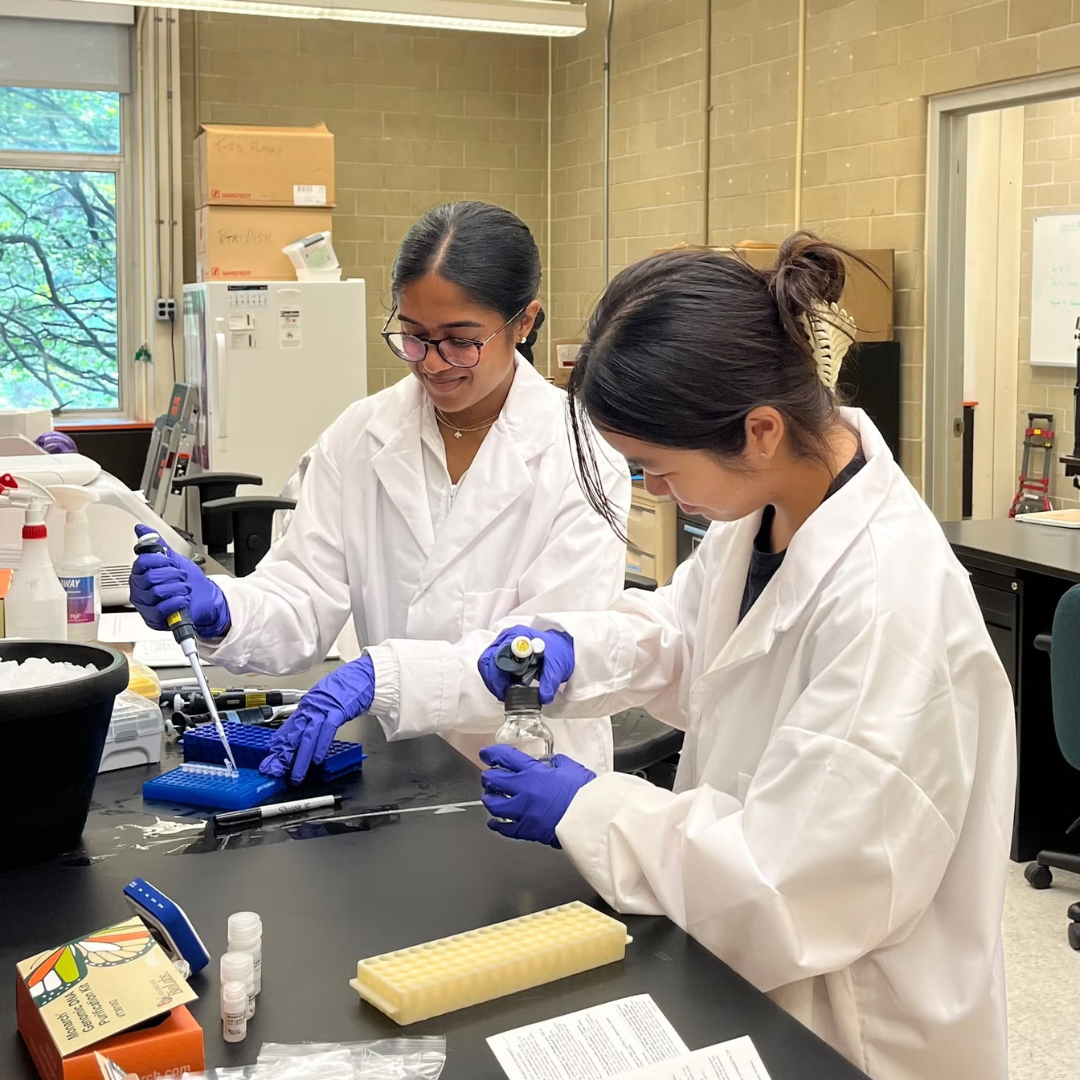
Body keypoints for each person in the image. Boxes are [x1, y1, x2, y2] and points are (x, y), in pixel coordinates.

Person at [471, 236, 1016, 1080]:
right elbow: (696, 648)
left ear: (759, 430)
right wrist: (577, 650)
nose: (653, 489)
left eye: (657, 466)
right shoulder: (760, 514)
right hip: (751, 979)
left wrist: (590, 808)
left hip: (852, 1024)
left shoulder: (888, 605)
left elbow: (790, 882)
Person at [129, 201, 629, 781]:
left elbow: (541, 654)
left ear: (524, 321)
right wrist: (221, 610)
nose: (433, 364)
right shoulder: (361, 436)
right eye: (413, 338)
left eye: (461, 341)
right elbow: (304, 597)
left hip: (535, 774)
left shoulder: (583, 451)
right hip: (397, 766)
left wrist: (383, 676)